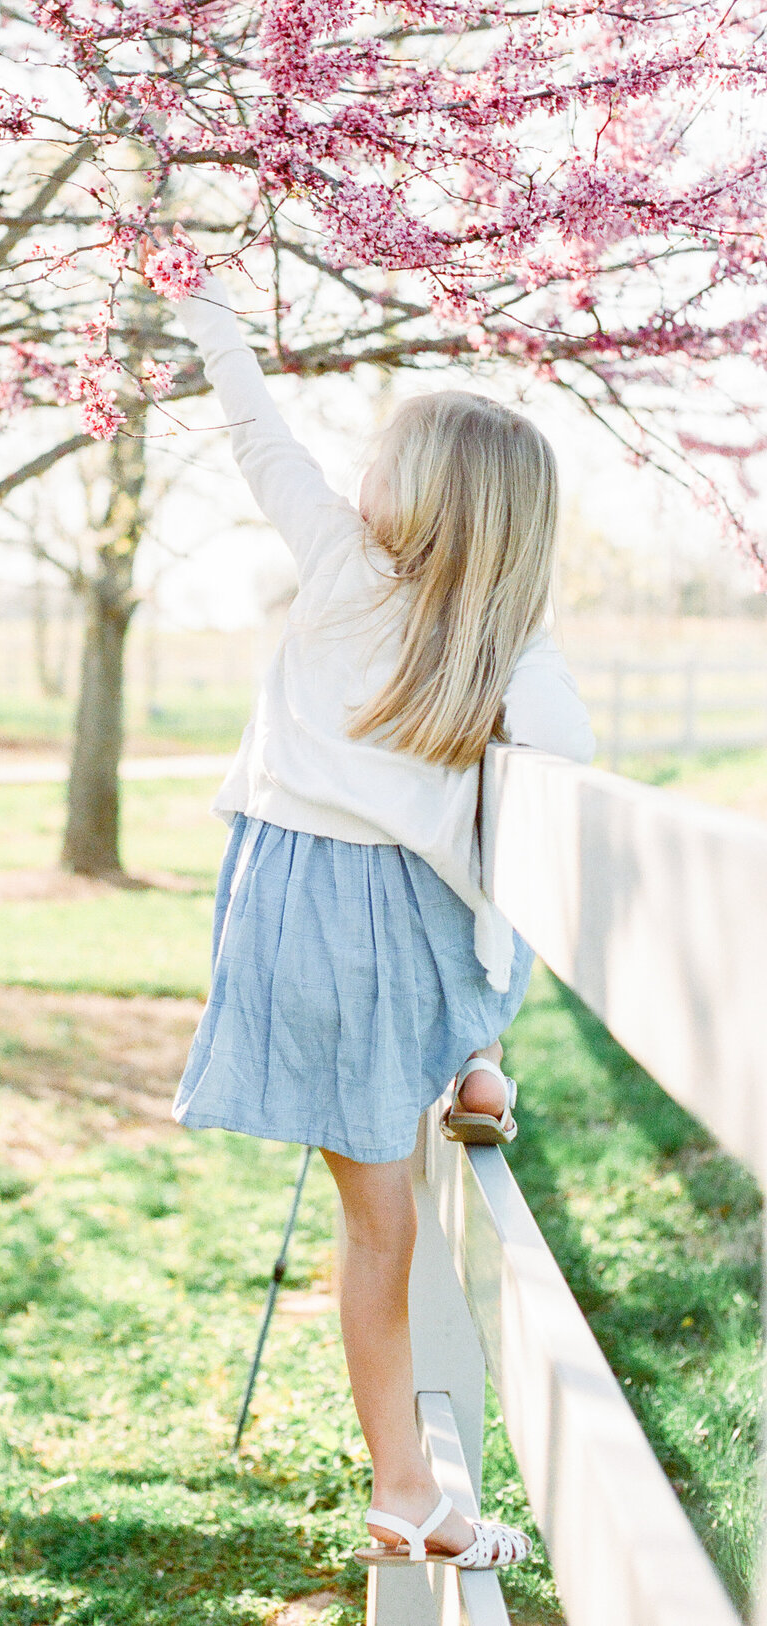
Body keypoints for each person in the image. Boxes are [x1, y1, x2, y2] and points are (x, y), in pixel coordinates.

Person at [159, 265, 594, 1569]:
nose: (359, 475)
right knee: (483, 924)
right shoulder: (508, 644)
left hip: (286, 910)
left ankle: (408, 1481)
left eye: (384, 459)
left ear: (414, 496)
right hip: (398, 937)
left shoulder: (341, 562)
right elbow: (563, 771)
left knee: (377, 1216)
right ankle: (408, 1486)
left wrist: (210, 314)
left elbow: (258, 434)